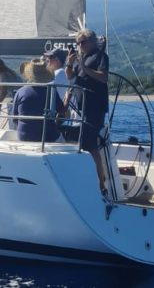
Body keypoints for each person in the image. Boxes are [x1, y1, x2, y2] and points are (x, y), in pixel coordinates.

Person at [65, 29, 110, 195]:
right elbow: (70, 76)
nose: (79, 46)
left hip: (95, 106)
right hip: (81, 106)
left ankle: (101, 184)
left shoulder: (100, 56)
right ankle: (93, 180)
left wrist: (84, 67)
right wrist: (70, 63)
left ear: (91, 41)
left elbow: (103, 77)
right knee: (83, 142)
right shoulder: (79, 58)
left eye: (82, 42)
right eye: (78, 43)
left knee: (90, 144)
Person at [10, 60, 64, 142]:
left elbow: (14, 119)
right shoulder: (51, 92)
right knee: (65, 140)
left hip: (23, 137)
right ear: (46, 75)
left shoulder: (20, 92)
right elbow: (62, 112)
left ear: (29, 75)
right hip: (48, 137)